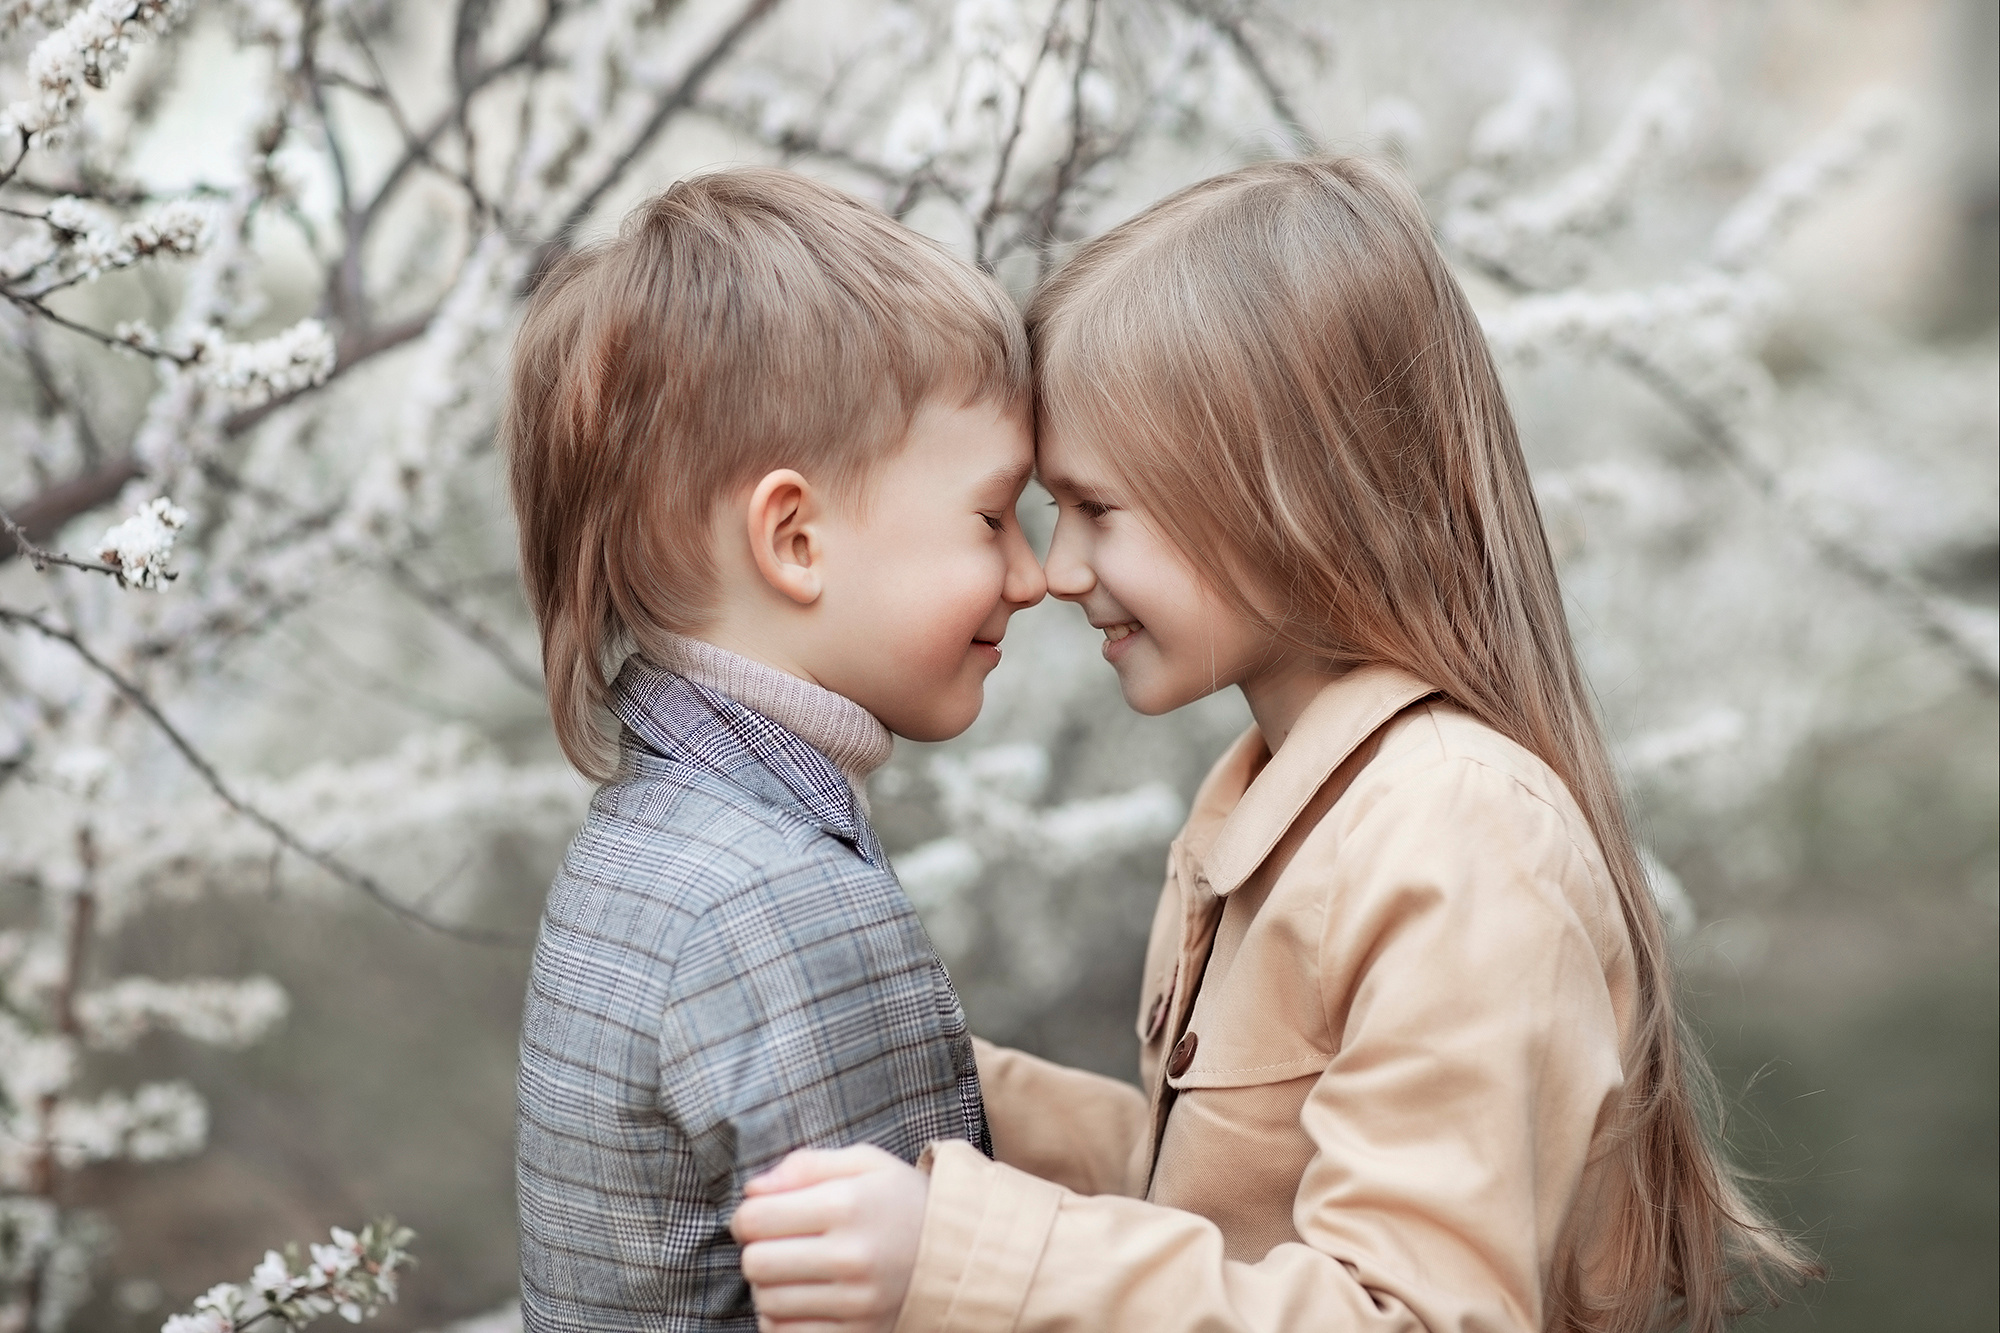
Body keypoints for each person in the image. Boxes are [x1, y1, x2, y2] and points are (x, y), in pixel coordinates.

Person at [728, 157, 1818, 1333]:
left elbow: (1401, 1312)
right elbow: (1219, 1200)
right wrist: (927, 1083)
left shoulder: (1456, 830)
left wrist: (962, 1253)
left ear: (1279, 494)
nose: (1059, 571)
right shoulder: (1283, 796)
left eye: (1097, 508)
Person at [505, 167, 1046, 1332]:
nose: (1033, 574)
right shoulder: (783, 902)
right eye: (993, 517)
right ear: (794, 538)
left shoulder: (651, 839)